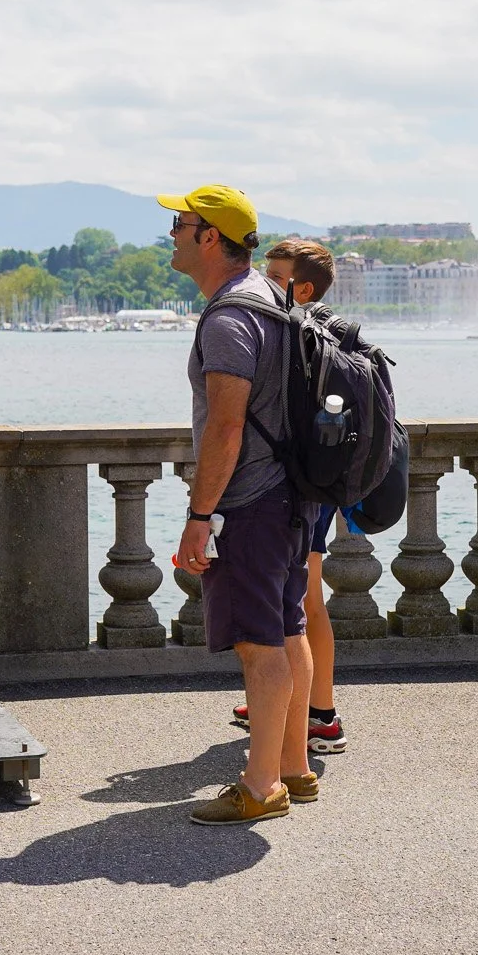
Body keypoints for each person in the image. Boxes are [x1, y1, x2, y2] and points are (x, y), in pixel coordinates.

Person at [161, 185, 318, 825]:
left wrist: (200, 517)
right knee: (286, 629)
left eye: (180, 223)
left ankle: (261, 788)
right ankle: (293, 768)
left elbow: (226, 428)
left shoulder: (229, 319)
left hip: (250, 501)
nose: (171, 233)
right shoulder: (272, 299)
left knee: (258, 644)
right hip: (292, 495)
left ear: (209, 237)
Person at [228, 237, 347, 755]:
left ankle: (320, 715)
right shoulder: (305, 329)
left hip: (301, 486)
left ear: (302, 288)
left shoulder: (302, 333)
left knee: (304, 601)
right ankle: (280, 702)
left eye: (275, 276)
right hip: (307, 483)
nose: (264, 283)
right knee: (291, 600)